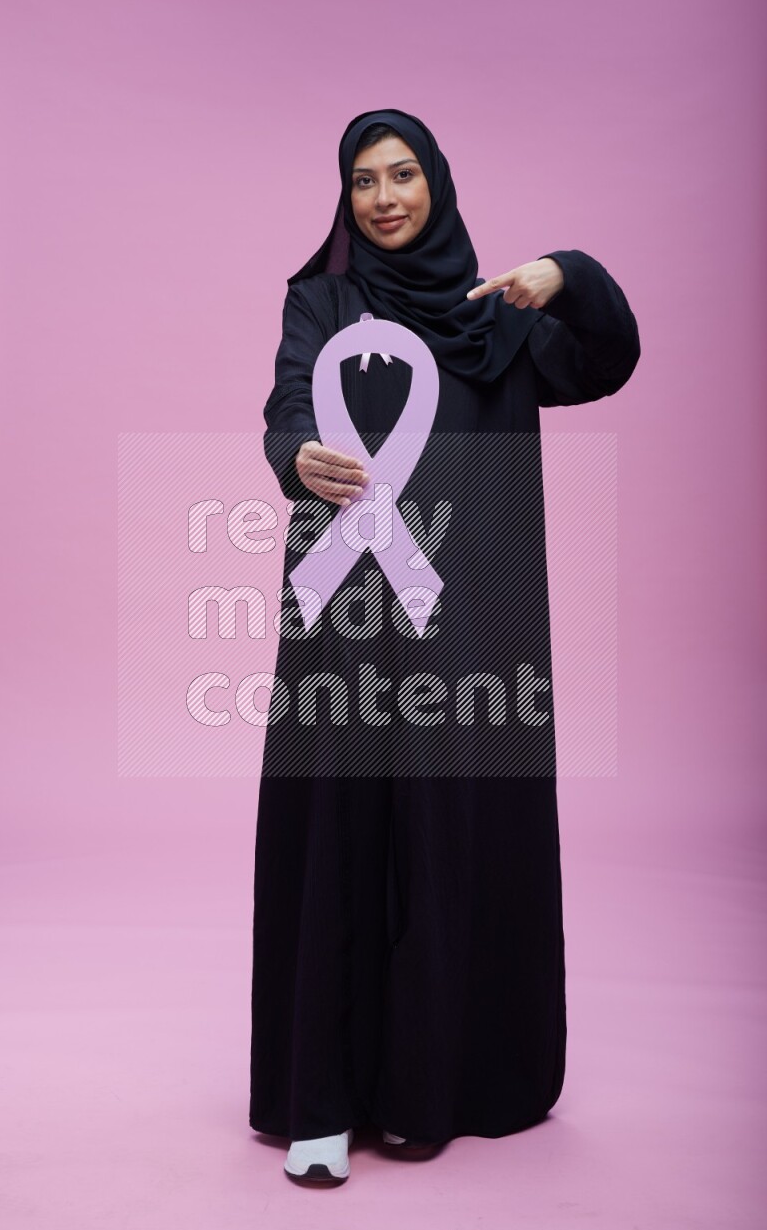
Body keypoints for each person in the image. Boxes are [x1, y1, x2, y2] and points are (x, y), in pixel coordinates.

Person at [249, 107, 640, 1185]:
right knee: (339, 833)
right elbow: (286, 402)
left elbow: (606, 359)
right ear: (345, 195)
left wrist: (563, 272)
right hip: (344, 613)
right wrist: (295, 455)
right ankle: (317, 1096)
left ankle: (430, 1089)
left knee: (447, 834)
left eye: (403, 174)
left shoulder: (494, 317)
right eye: (364, 180)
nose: (384, 198)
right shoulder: (319, 300)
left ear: (436, 183)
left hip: (468, 618)